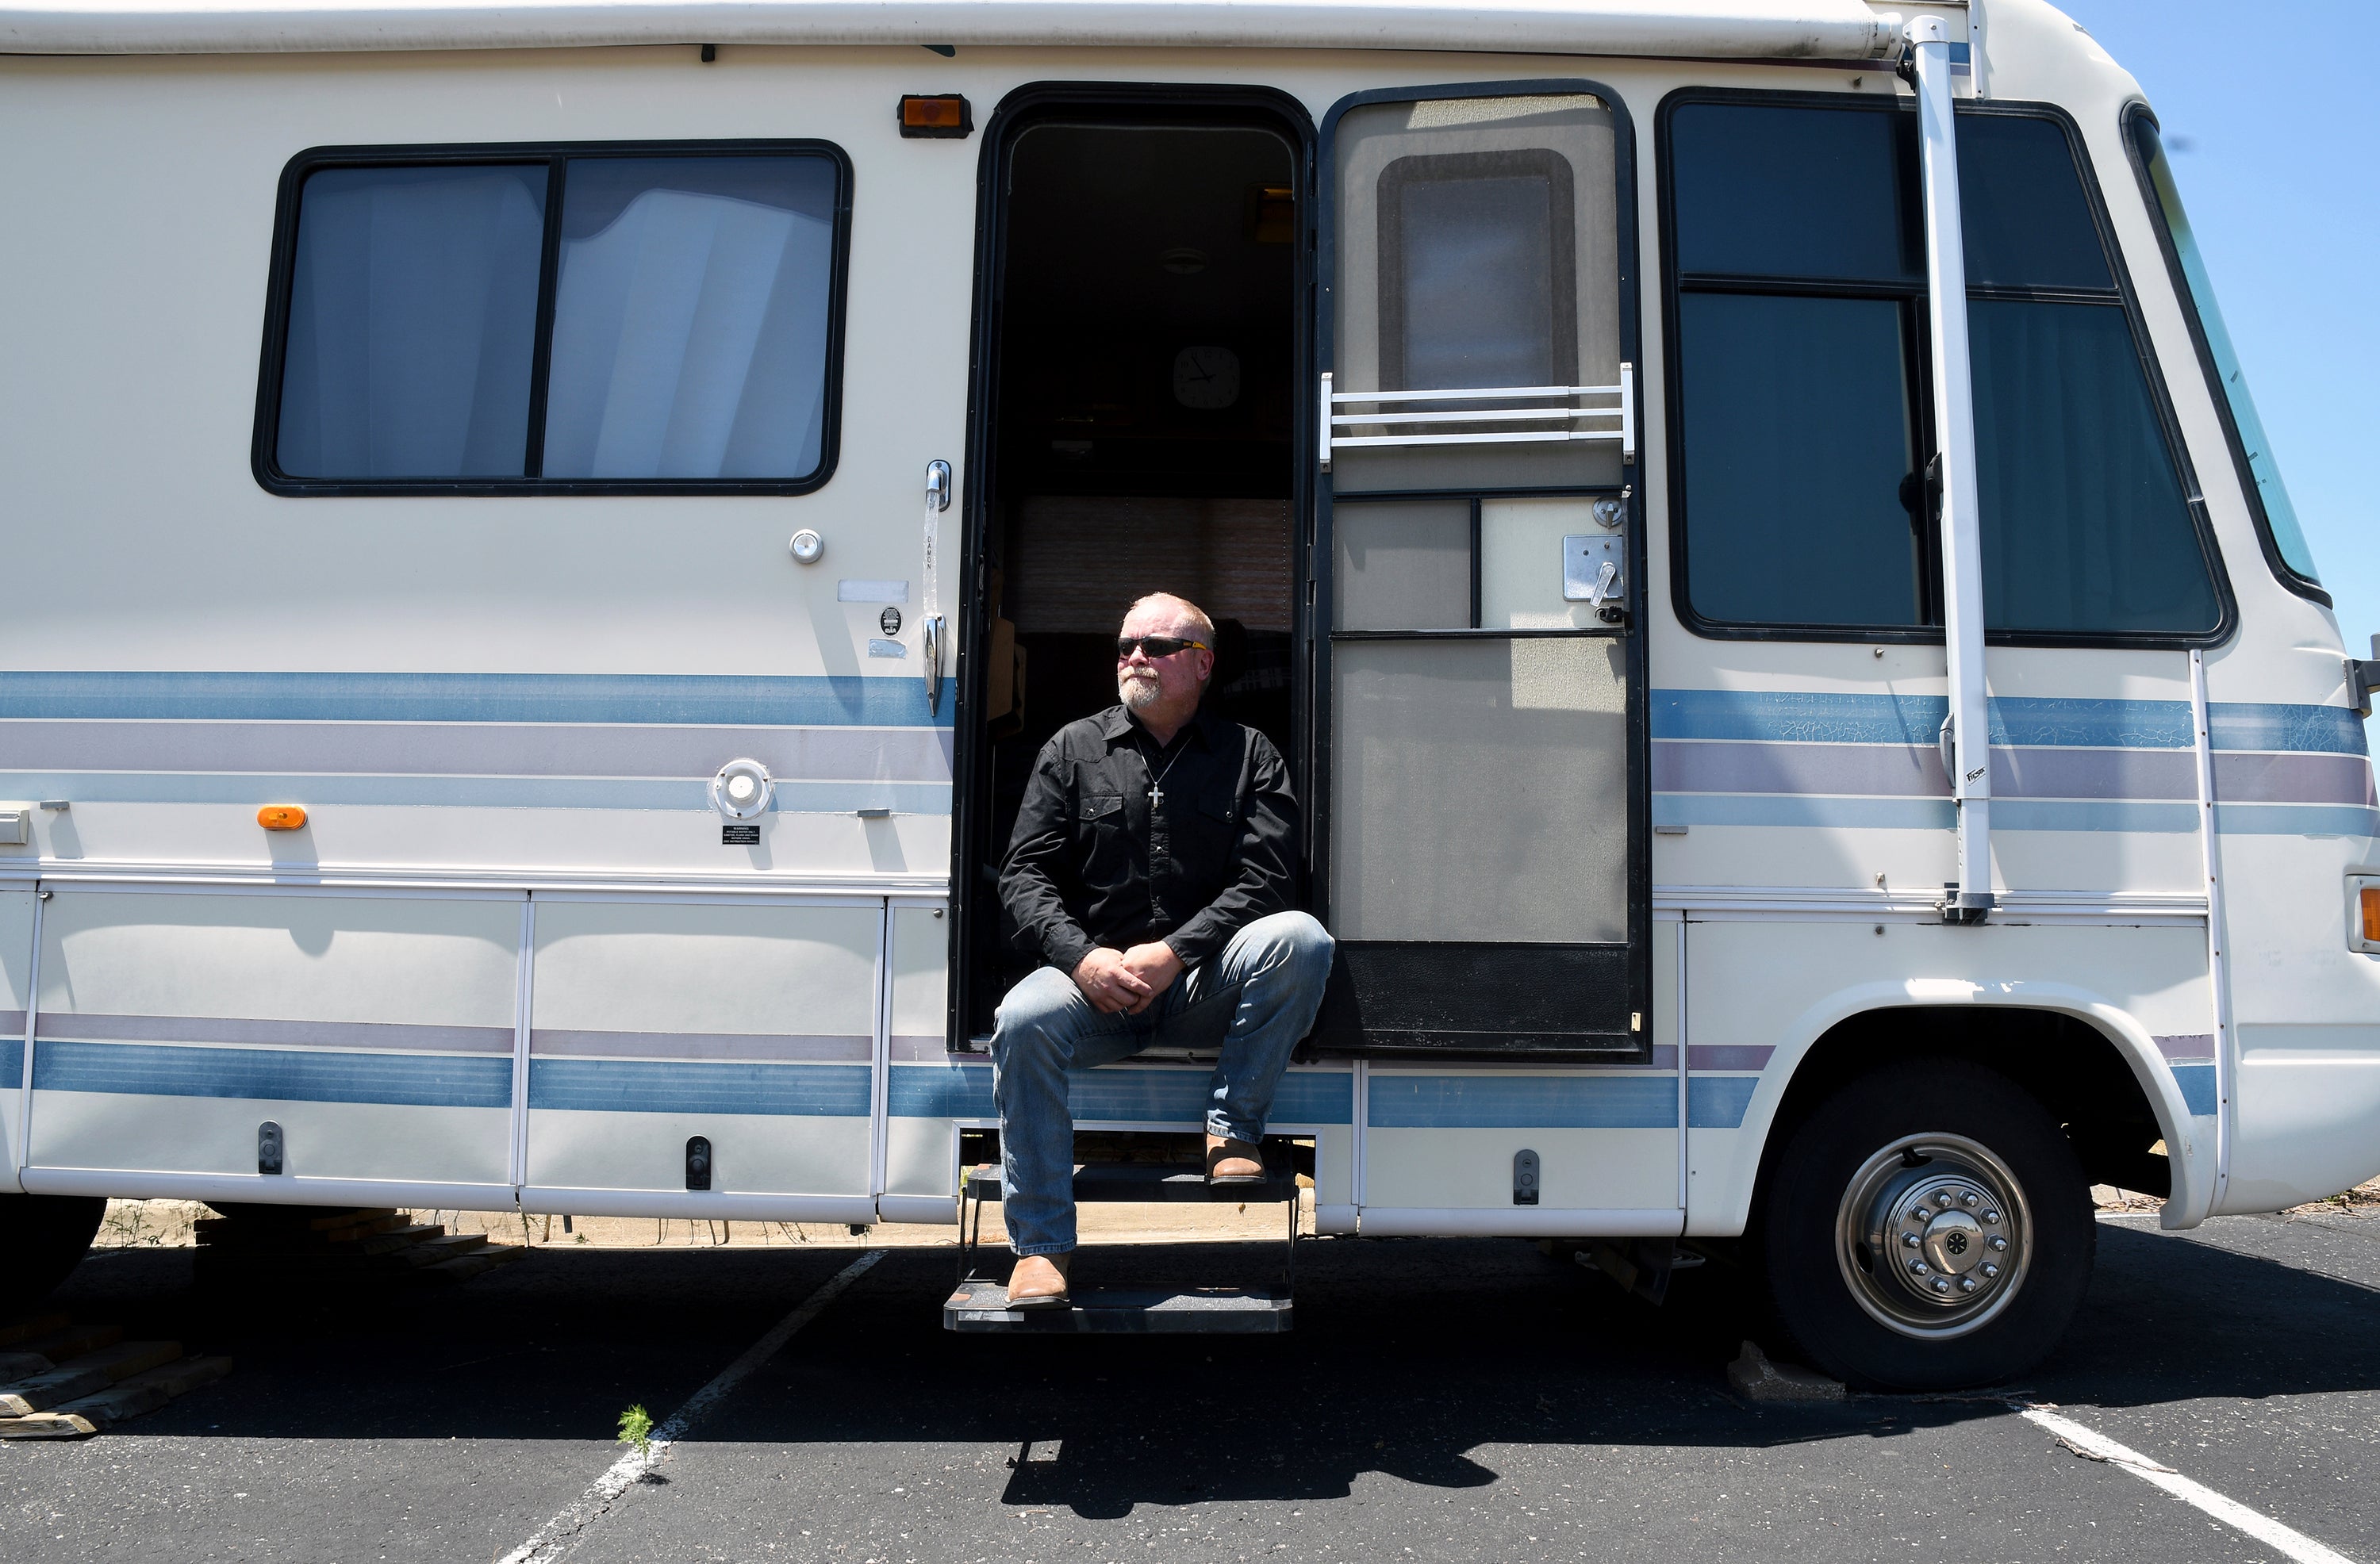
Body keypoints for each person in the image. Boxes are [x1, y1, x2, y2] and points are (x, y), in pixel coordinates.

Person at [991, 592, 1334, 1308]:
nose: (1134, 658)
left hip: (1202, 982)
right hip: (1095, 985)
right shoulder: (1072, 748)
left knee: (1301, 940)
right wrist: (1082, 958)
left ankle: (1232, 1132)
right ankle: (1041, 1248)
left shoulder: (1250, 755)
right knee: (1021, 1022)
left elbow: (1269, 880)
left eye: (1156, 646)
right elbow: (1024, 874)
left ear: (1202, 665)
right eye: (1125, 646)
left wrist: (1176, 952)